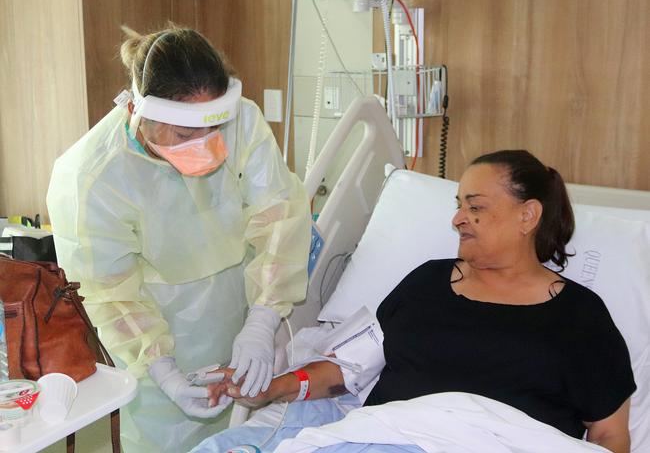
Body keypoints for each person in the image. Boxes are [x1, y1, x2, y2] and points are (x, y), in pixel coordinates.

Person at [194, 150, 636, 453]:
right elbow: (348, 369)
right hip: (379, 436)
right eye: (459, 204)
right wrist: (269, 387)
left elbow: (610, 435)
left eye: (475, 207)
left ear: (528, 215)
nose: (458, 218)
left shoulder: (581, 317)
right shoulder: (426, 282)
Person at [46, 24, 311, 453]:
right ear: (137, 111)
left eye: (216, 129)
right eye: (186, 136)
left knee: (247, 432)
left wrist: (262, 321)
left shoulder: (241, 117)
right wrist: (163, 372)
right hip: (157, 326)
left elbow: (280, 216)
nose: (207, 147)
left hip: (243, 302)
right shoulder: (92, 178)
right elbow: (110, 294)